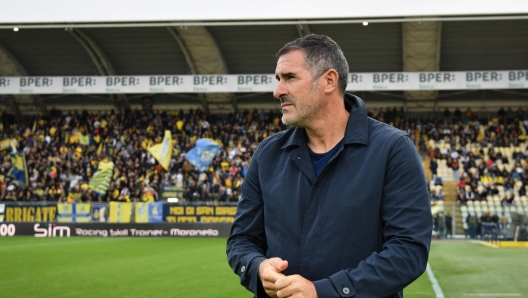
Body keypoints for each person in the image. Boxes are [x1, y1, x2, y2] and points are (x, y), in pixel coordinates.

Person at [226, 34, 432, 298]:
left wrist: (323, 292)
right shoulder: (268, 153)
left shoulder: (392, 148)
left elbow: (408, 251)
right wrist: (257, 266)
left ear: (329, 81)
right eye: (278, 79)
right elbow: (241, 240)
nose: (278, 91)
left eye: (290, 77)